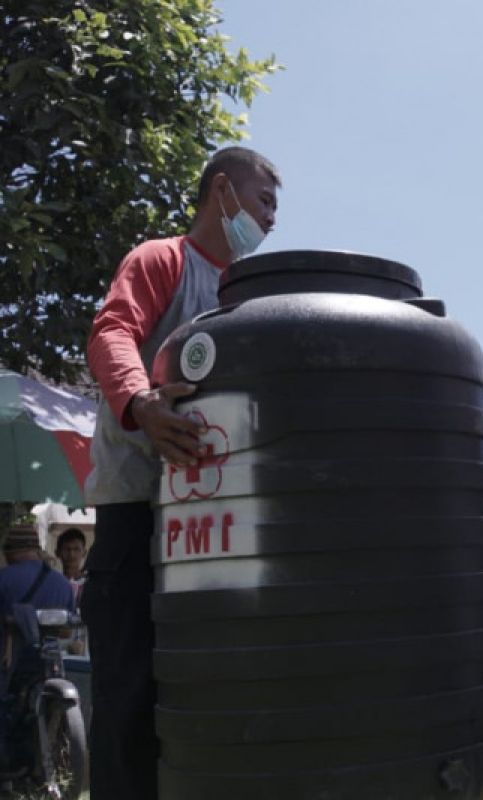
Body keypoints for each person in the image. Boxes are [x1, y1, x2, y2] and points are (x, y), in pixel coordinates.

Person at [82, 146, 280, 800]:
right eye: (265, 201)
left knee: (202, 689)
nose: (271, 220)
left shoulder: (243, 302)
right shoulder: (163, 260)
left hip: (212, 527)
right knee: (129, 696)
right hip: (137, 514)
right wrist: (139, 404)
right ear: (221, 191)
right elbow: (112, 332)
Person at [0, 526, 76, 772]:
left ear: (11, 552)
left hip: (12, 664)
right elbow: (66, 631)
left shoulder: (4, 579)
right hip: (51, 665)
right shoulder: (62, 583)